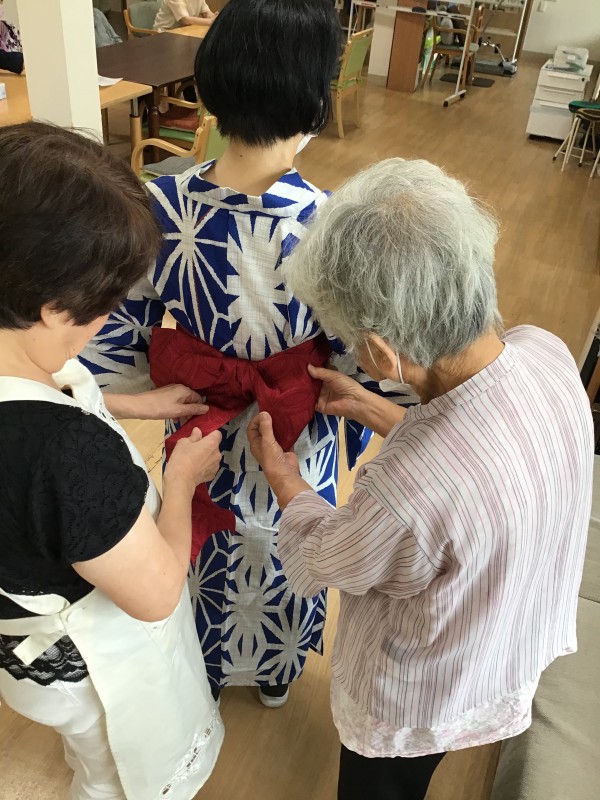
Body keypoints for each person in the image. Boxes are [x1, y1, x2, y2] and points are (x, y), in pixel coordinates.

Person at [82, 0, 399, 709]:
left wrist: (143, 395)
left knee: (199, 526)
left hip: (198, 420)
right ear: (315, 99)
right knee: (289, 535)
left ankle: (207, 663)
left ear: (212, 85)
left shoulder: (160, 204)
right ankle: (277, 671)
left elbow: (115, 326)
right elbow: (367, 360)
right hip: (296, 427)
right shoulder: (333, 224)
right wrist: (346, 402)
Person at [247, 158, 594, 800]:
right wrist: (379, 410)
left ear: (381, 353)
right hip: (507, 636)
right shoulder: (545, 351)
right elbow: (480, 456)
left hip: (421, 694)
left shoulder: (404, 492)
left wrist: (285, 478)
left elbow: (331, 556)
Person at [0, 122, 224, 799]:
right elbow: (156, 594)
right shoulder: (65, 454)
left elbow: (36, 401)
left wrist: (134, 404)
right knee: (113, 768)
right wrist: (180, 481)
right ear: (53, 307)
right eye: (106, 306)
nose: (111, 317)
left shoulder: (32, 393)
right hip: (90, 667)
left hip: (22, 643)